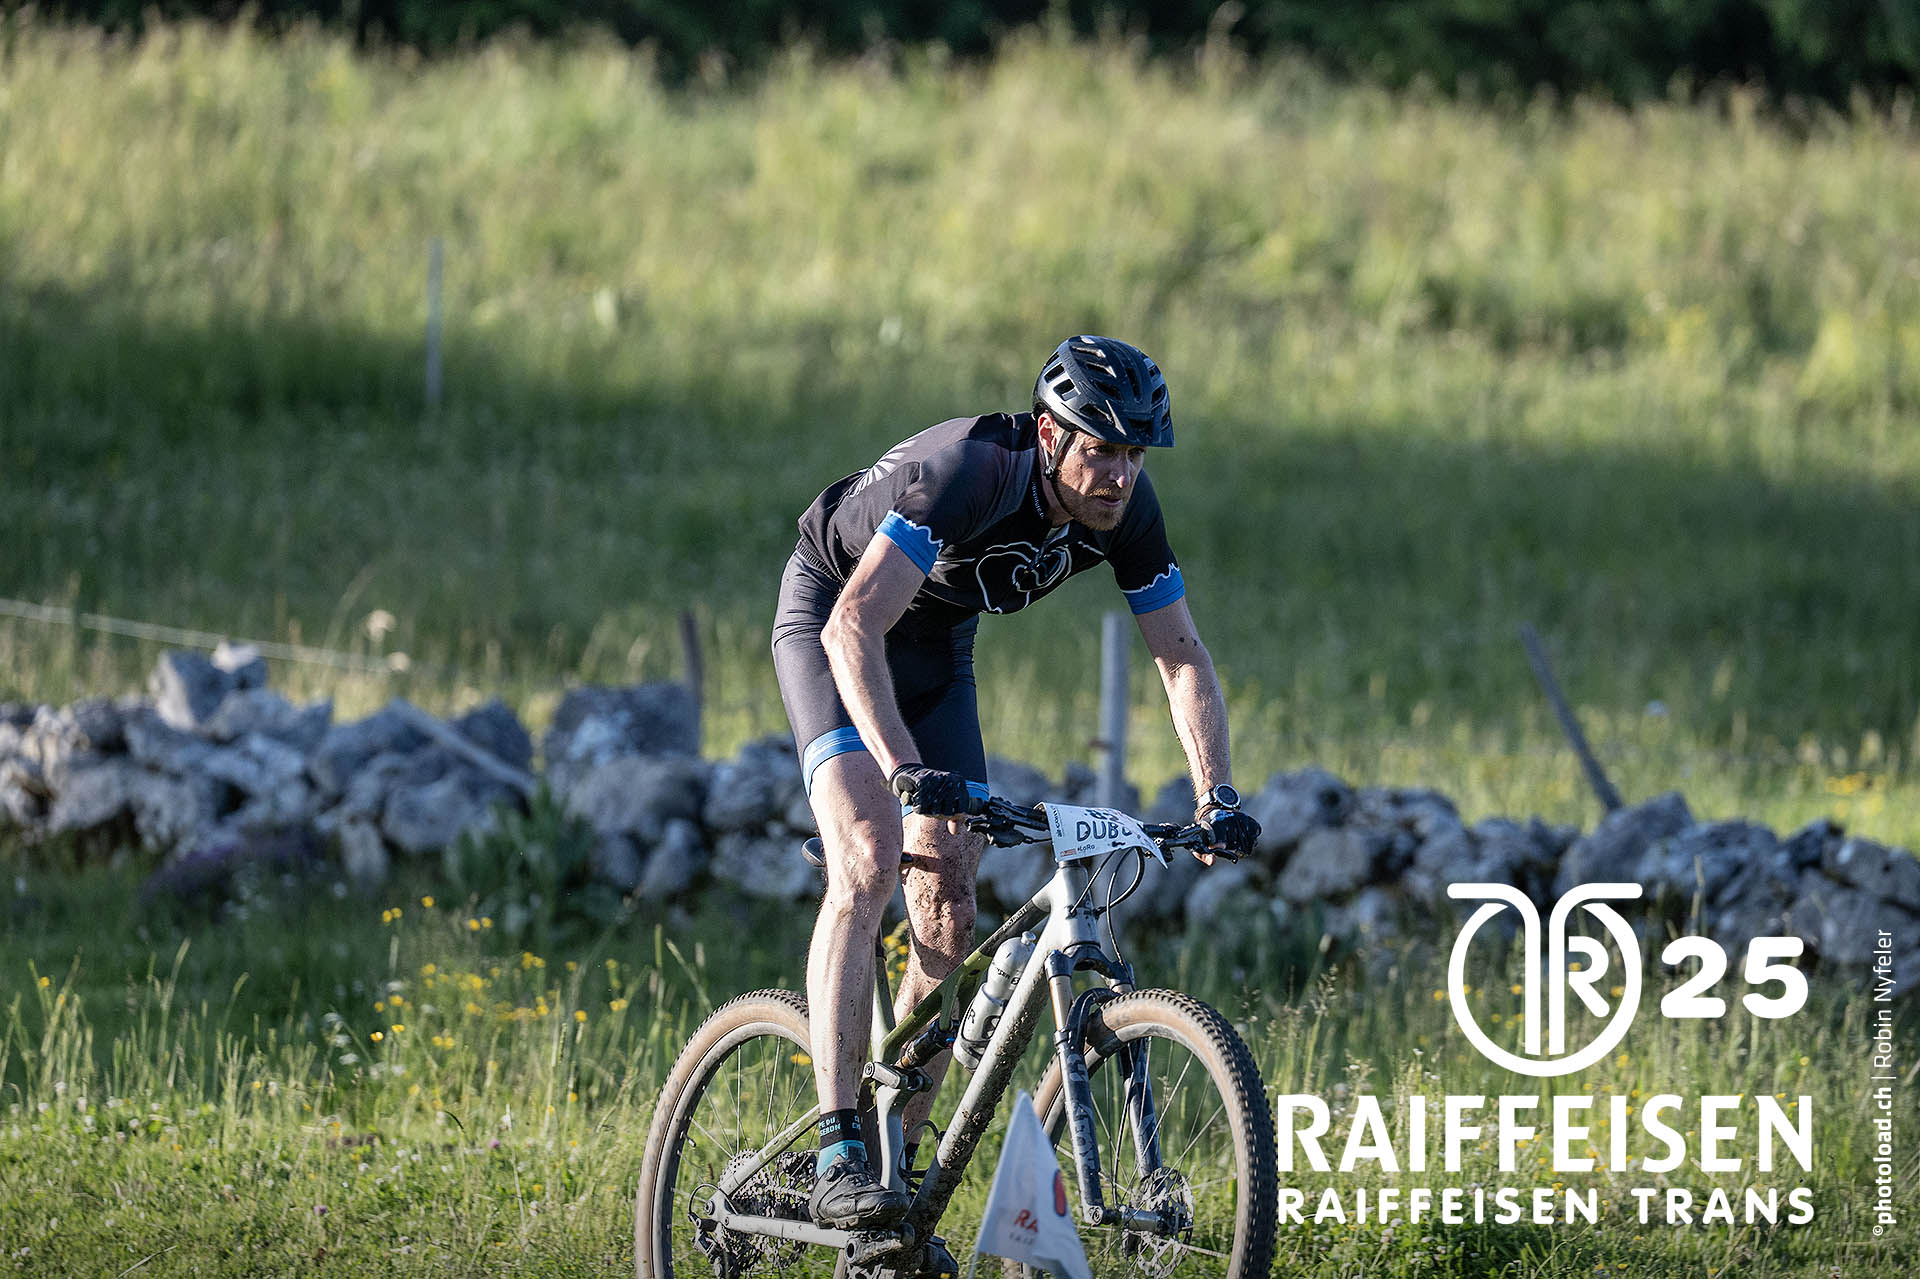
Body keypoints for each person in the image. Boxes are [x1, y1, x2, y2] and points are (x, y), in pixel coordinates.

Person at [770, 335, 1262, 1230]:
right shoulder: (969, 472)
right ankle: (839, 1150)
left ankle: (891, 1174)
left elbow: (1180, 653)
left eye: (1135, 453)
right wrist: (900, 768)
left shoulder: (1128, 508)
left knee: (949, 913)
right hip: (833, 618)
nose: (1119, 475)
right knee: (870, 854)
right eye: (1101, 450)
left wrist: (1215, 793)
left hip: (934, 649)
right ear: (1048, 434)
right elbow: (852, 628)